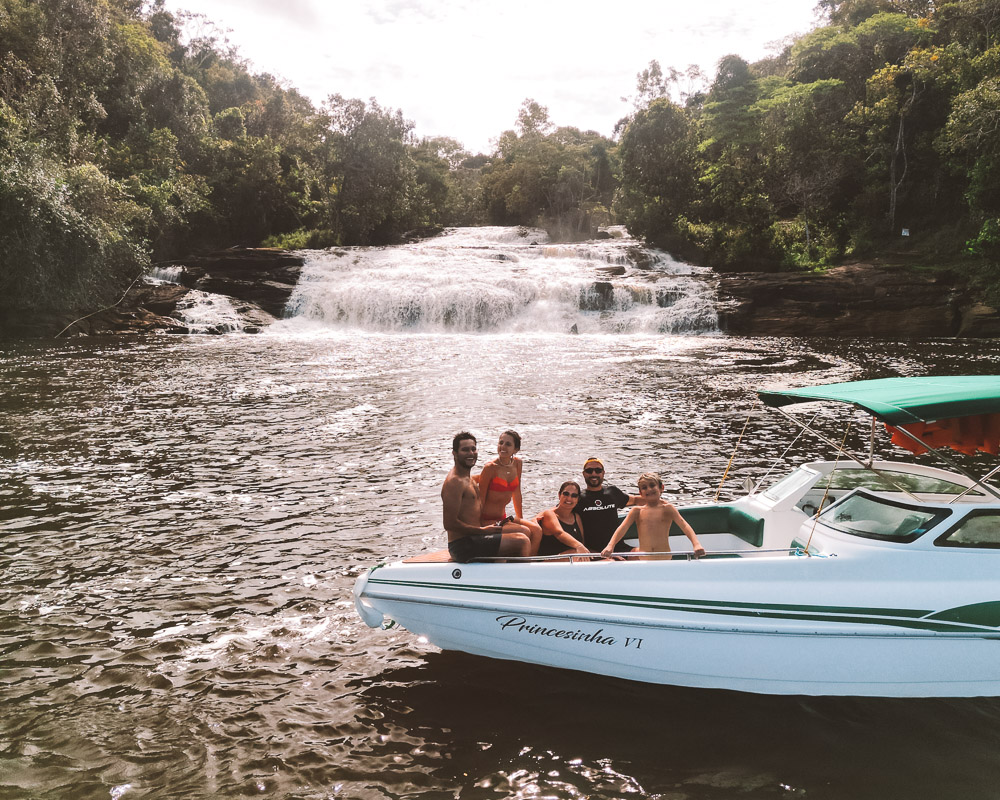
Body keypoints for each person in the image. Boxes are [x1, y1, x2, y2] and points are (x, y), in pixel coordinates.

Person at [442, 432, 533, 563]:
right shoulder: (455, 482)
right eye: (465, 450)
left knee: (526, 533)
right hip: (463, 545)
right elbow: (449, 524)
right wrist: (482, 530)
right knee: (522, 541)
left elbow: (492, 477)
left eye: (473, 449)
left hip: (476, 537)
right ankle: (520, 581)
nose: (471, 453)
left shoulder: (468, 478)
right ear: (454, 453)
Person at [601, 472, 705, 560]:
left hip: (664, 558)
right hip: (644, 558)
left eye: (652, 485)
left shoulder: (668, 509)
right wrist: (610, 546)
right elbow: (622, 528)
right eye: (644, 487)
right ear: (640, 492)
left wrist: (696, 544)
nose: (649, 489)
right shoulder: (636, 511)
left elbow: (685, 526)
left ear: (661, 488)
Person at [477, 429, 542, 546]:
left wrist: (521, 519)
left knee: (537, 530)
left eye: (508, 444)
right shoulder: (490, 468)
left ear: (516, 449)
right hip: (487, 520)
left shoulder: (517, 464)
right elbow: (480, 499)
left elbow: (517, 494)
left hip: (503, 518)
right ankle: (521, 562)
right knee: (525, 531)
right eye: (501, 442)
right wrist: (478, 528)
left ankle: (530, 562)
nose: (503, 446)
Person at [575, 457, 644, 553]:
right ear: (584, 474)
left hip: (618, 547)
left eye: (598, 470)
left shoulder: (612, 492)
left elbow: (635, 500)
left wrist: (659, 501)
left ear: (603, 473)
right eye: (589, 471)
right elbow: (559, 511)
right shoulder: (578, 498)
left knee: (644, 554)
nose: (594, 474)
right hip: (593, 552)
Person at [533, 481, 590, 557]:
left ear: (578, 499)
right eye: (566, 494)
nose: (569, 498)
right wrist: (578, 546)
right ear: (559, 495)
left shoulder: (576, 517)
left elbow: (582, 542)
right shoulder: (549, 514)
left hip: (573, 559)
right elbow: (559, 533)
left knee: (608, 559)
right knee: (577, 555)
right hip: (550, 561)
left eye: (574, 495)